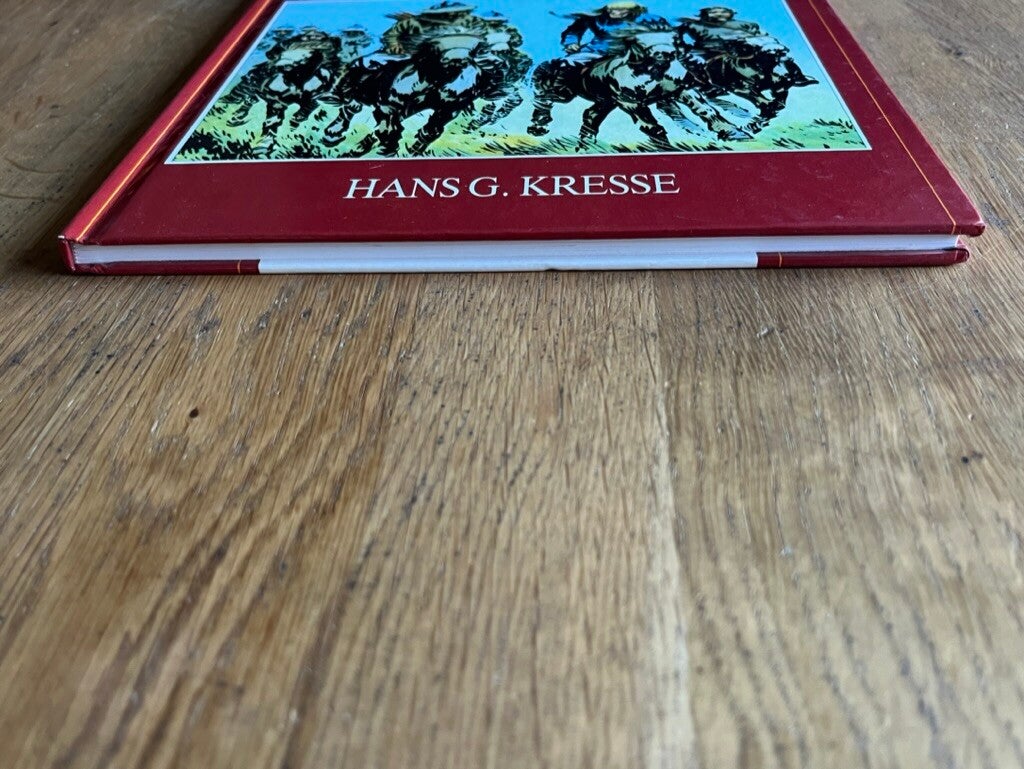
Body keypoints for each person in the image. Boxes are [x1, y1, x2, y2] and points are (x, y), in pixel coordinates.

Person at [678, 6, 816, 86]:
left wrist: (763, 42)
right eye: (714, 12)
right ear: (704, 14)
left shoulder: (745, 24)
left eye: (723, 11)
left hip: (745, 45)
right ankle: (694, 83)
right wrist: (683, 45)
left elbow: (762, 34)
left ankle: (796, 75)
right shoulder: (693, 25)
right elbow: (676, 36)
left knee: (775, 48)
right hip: (708, 49)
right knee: (694, 61)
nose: (719, 14)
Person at [559, 2, 670, 66]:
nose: (613, 12)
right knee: (566, 64)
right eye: (610, 9)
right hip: (597, 53)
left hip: (636, 56)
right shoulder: (595, 18)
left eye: (620, 9)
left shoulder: (651, 20)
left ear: (632, 9)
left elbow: (668, 35)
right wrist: (571, 43)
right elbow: (574, 31)